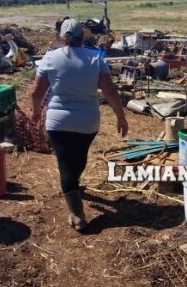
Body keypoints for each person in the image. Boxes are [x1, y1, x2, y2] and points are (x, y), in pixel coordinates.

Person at [30, 19, 128, 231]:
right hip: (87, 121)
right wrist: (121, 116)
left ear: (61, 37)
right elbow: (109, 90)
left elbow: (36, 92)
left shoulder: (50, 58)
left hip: (58, 121)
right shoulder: (95, 58)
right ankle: (73, 188)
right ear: (83, 36)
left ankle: (76, 214)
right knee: (79, 157)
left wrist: (36, 113)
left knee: (65, 164)